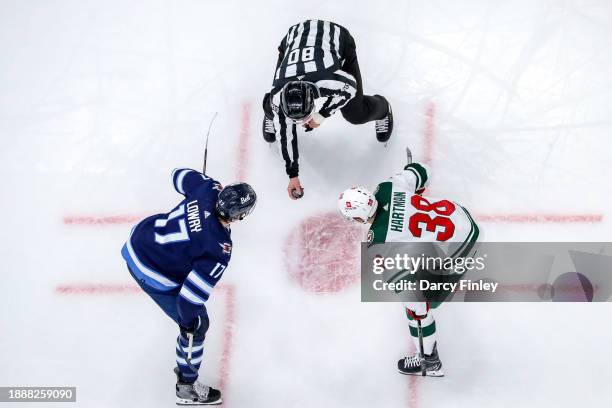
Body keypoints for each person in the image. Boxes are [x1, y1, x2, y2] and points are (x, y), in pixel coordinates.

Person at [121, 168, 256, 404]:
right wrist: (190, 325)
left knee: (188, 271)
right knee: (197, 324)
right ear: (239, 216)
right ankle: (186, 386)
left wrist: (200, 191)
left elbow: (177, 175)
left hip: (140, 237)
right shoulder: (218, 249)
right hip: (150, 269)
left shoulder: (208, 188)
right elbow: (189, 301)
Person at [337, 159, 479, 376]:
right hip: (462, 216)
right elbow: (422, 170)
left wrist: (417, 308)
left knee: (420, 307)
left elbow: (408, 292)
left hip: (462, 243)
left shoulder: (379, 243)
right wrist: (414, 195)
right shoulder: (388, 187)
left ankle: (430, 360)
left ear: (359, 215)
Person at [262, 19, 394, 200]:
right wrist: (292, 174)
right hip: (293, 40)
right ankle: (272, 115)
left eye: (304, 117)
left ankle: (383, 108)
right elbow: (285, 133)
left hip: (339, 40)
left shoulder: (331, 81)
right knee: (274, 110)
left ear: (314, 98)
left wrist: (322, 114)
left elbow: (349, 90)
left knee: (356, 113)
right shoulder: (277, 94)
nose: (301, 123)